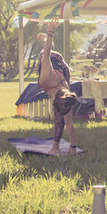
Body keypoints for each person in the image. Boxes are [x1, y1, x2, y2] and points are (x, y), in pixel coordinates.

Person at [37, 20, 78, 154]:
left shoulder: (68, 95)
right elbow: (48, 54)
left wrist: (73, 147)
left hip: (63, 73)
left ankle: (62, 145)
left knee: (66, 119)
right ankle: (44, 39)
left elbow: (69, 124)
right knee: (44, 52)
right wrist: (50, 33)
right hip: (54, 60)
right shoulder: (46, 78)